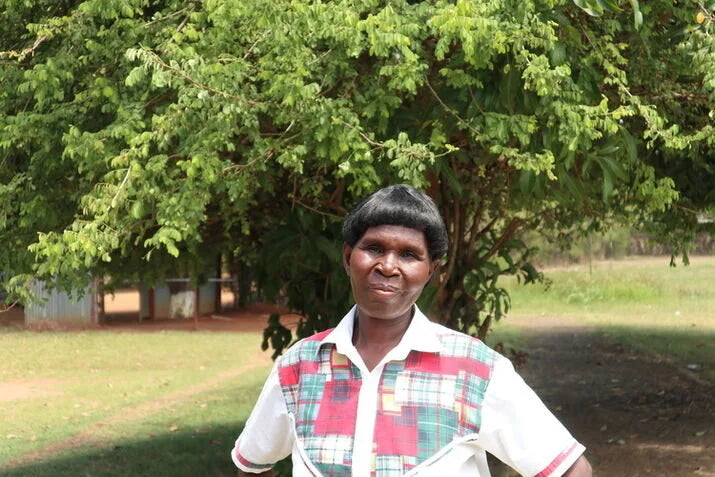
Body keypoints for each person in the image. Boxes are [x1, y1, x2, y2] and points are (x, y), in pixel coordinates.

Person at [231, 184, 592, 477]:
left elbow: (570, 469)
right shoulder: (299, 367)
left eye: (408, 255)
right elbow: (252, 464)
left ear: (431, 271)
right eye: (373, 248)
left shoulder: (476, 370)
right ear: (347, 257)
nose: (388, 266)